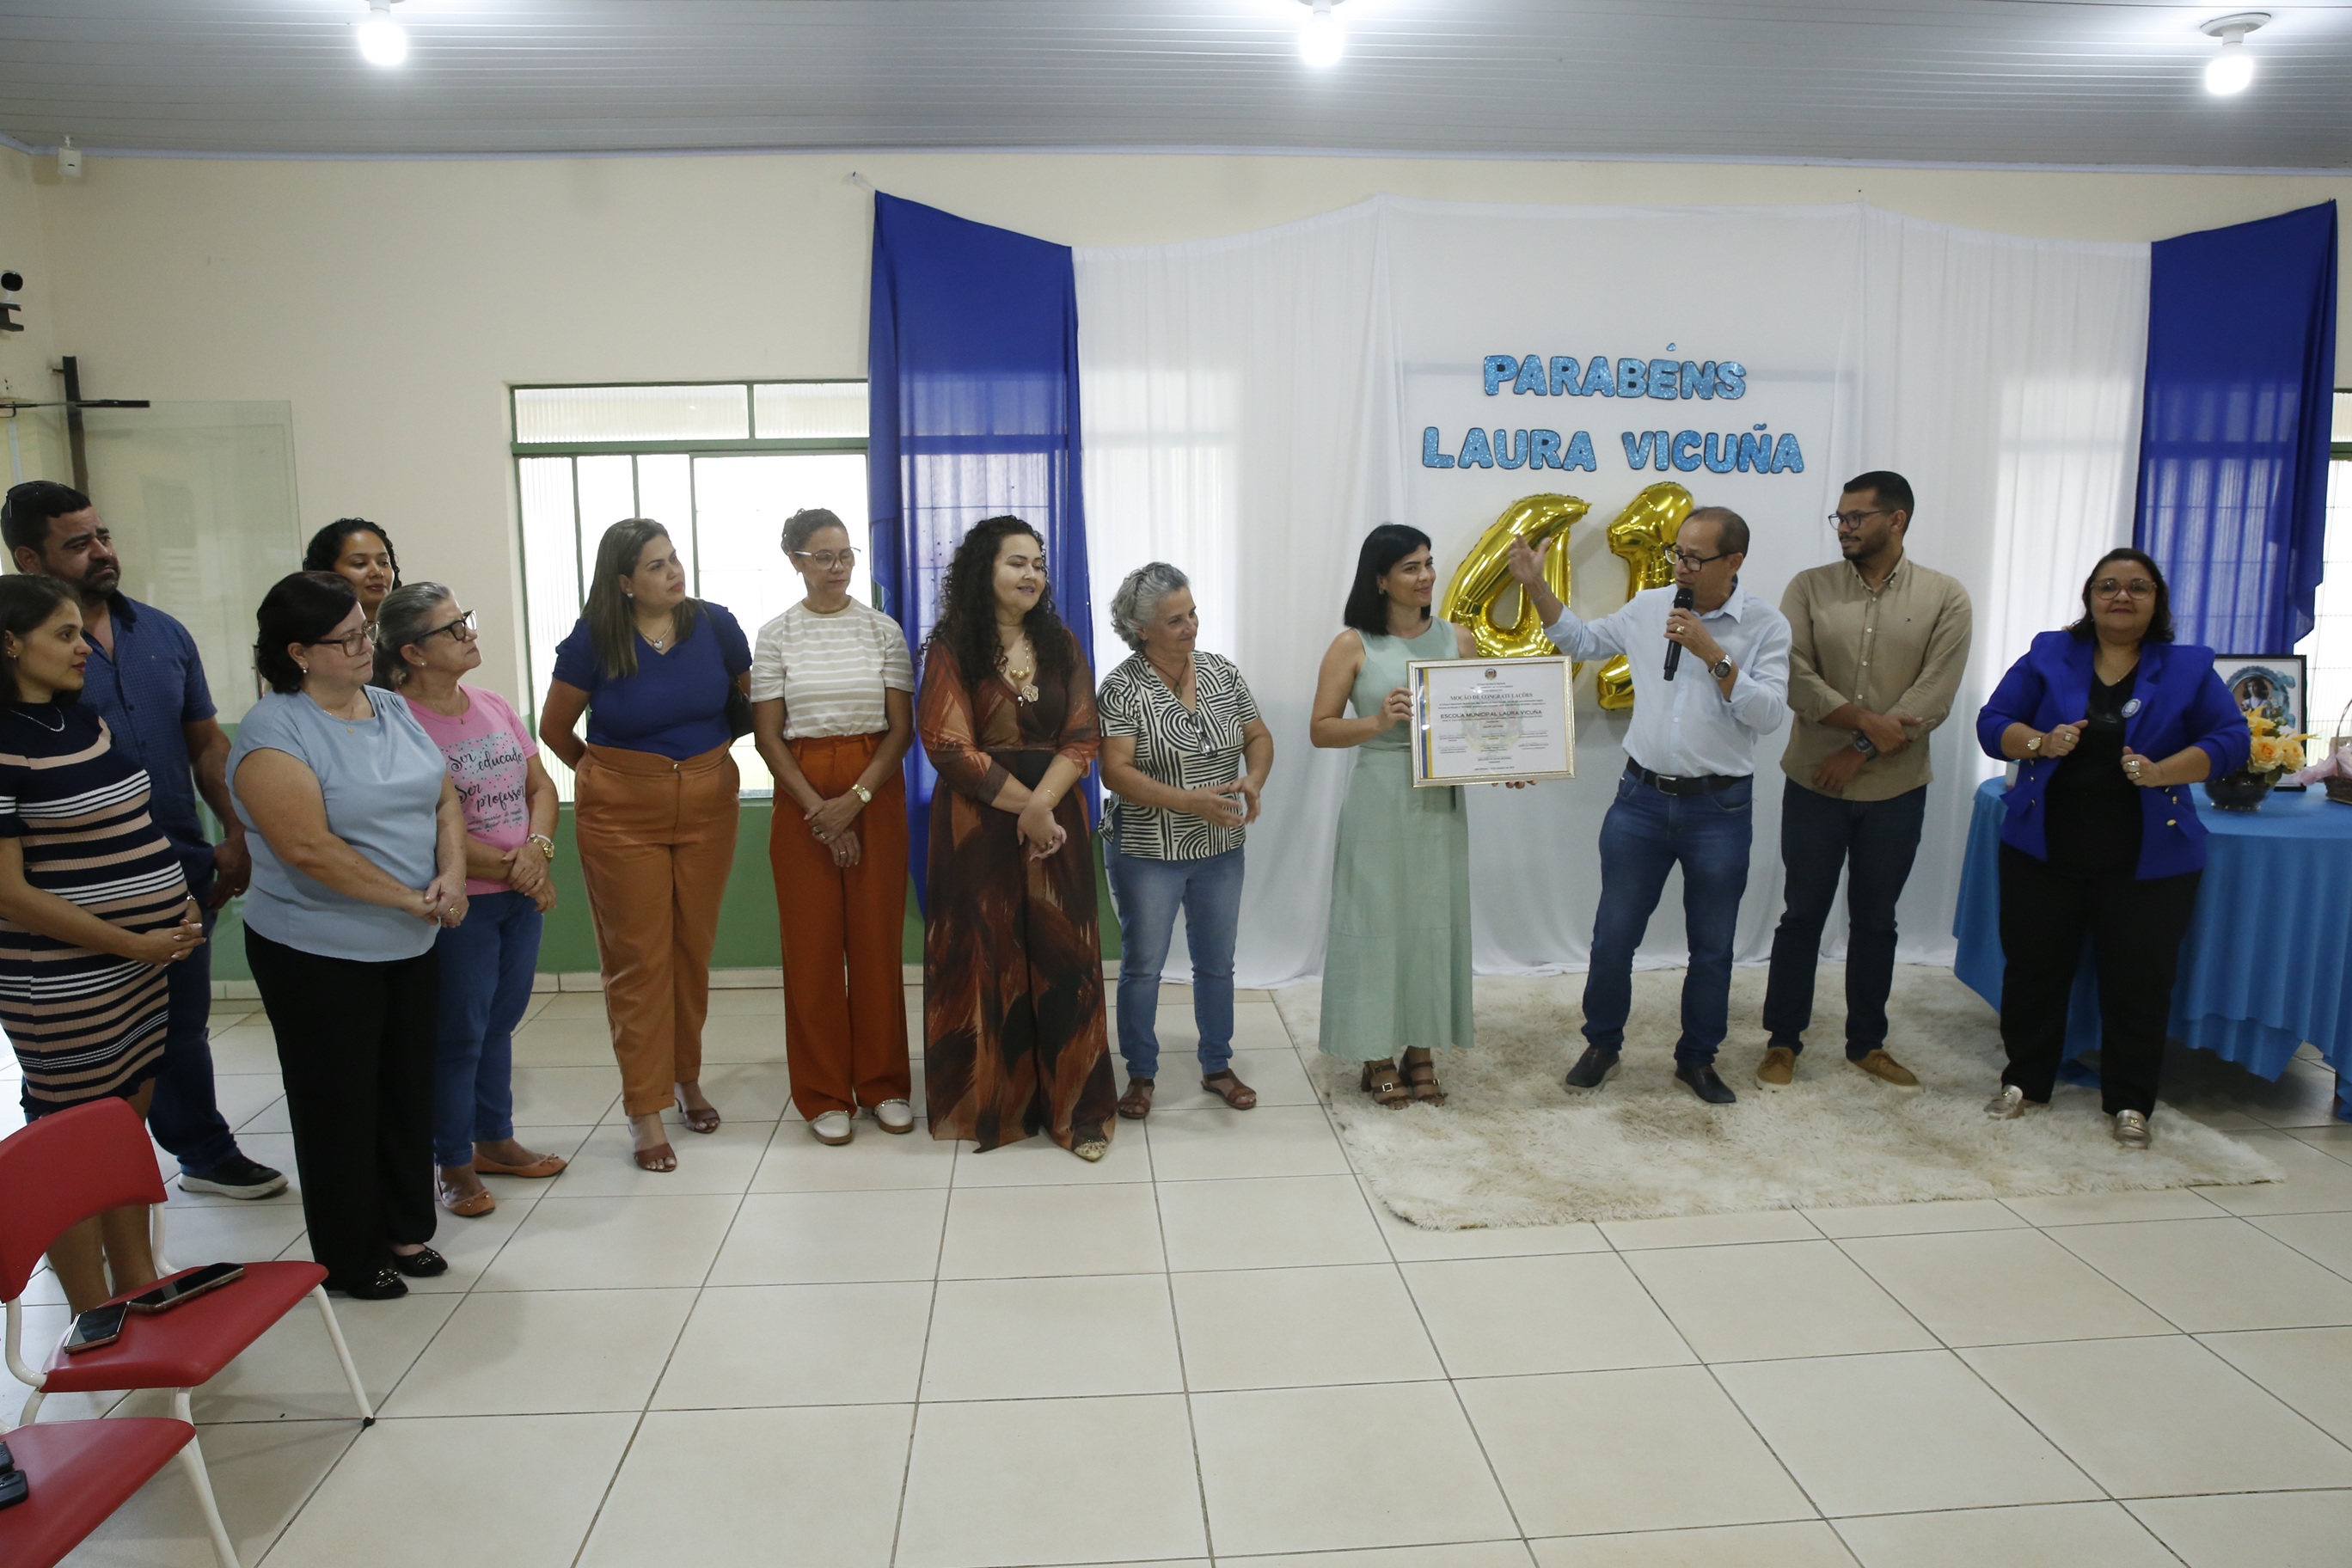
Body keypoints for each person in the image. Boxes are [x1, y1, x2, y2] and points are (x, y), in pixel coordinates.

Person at [1, 480, 286, 1200]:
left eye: (102, 535)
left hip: (177, 866)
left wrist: (236, 834)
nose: (101, 552)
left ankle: (196, 1155)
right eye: (78, 543)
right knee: (79, 1076)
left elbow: (206, 745)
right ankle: (77, 1210)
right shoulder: (24, 689)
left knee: (174, 1033)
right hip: (63, 918)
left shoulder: (161, 633)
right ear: (29, 556)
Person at [230, 572, 469, 1299]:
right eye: (350, 639)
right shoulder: (274, 731)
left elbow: (442, 797)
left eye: (366, 630)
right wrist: (407, 897)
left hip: (410, 938)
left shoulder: (390, 705)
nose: (369, 645)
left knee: (405, 1092)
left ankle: (404, 1228)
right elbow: (307, 848)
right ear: (299, 652)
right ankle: (348, 1251)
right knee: (338, 1102)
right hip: (318, 951)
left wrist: (452, 875)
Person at [1511, 506, 1792, 1105]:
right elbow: (1580, 641)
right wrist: (1536, 587)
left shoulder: (1766, 626)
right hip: (1639, 801)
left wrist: (1714, 653)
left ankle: (1697, 1058)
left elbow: (1769, 716)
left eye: (1695, 557)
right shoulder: (1650, 607)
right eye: (1678, 554)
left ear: (1733, 561)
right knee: (1613, 935)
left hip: (1719, 809)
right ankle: (1602, 1044)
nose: (1682, 567)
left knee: (1712, 946)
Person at [1975, 548, 2248, 1148]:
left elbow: (2232, 740)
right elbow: (1993, 723)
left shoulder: (2187, 668)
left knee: (2139, 982)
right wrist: (2041, 741)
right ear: (2089, 598)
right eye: (2108, 586)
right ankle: (2025, 1082)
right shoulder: (2049, 654)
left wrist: (2163, 771)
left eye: (2137, 587)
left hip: (2150, 858)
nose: (2121, 596)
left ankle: (2130, 1103)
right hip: (2044, 849)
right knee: (2034, 971)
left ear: (2157, 601)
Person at [0, 575, 205, 1314]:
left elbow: (133, 824)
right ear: (10, 644)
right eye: (62, 634)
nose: (83, 646)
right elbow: (9, 892)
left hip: (139, 966)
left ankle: (139, 1285)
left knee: (123, 1130)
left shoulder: (81, 719)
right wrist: (128, 939)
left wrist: (174, 904)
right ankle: (94, 1313)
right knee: (72, 1148)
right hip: (61, 978)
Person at [539, 518, 750, 1173]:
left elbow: (750, 708)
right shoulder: (595, 637)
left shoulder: (715, 624)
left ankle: (685, 1077)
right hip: (622, 817)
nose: (673, 572)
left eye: (674, 558)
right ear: (625, 583)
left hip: (709, 807)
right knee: (638, 961)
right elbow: (554, 728)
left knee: (691, 951)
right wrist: (611, 778)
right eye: (656, 566)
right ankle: (645, 1107)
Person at [1760, 471, 1973, 1091]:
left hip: (1896, 788)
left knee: (1876, 920)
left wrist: (1857, 748)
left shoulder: (1945, 596)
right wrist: (1864, 724)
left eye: (1856, 518)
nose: (1845, 528)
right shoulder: (1809, 588)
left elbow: (1934, 695)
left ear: (1896, 520)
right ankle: (1781, 1040)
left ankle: (1867, 1043)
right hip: (1813, 784)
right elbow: (1794, 675)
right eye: (1840, 519)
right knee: (1801, 915)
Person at [918, 516, 1116, 1160]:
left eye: (1038, 564)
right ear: (984, 570)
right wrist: (1027, 807)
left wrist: (1043, 807)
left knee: (1066, 963)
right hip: (978, 822)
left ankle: (1075, 1112)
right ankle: (995, 1109)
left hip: (1057, 822)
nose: (1031, 574)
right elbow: (946, 745)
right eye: (1016, 563)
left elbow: (1084, 736)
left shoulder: (1060, 644)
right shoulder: (952, 646)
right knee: (985, 957)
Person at [376, 583, 568, 1216]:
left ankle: (495, 1139)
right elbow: (426, 826)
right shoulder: (395, 721)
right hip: (463, 903)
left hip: (518, 896)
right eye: (454, 629)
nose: (470, 635)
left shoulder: (491, 704)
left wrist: (537, 851)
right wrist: (522, 869)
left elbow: (540, 784)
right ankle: (452, 1160)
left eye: (467, 622)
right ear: (414, 651)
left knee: (500, 1025)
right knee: (458, 1032)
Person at [748, 508, 916, 1147]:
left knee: (875, 943)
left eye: (846, 555)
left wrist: (858, 797)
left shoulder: (882, 631)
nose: (839, 567)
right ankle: (822, 1092)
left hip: (874, 784)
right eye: (824, 556)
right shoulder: (776, 635)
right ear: (795, 559)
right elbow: (767, 733)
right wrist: (822, 811)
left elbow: (900, 728)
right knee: (813, 949)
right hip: (803, 790)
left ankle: (884, 1084)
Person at [1310, 525, 1482, 1106]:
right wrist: (1379, 722)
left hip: (1440, 800)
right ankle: (1375, 1052)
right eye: (1411, 567)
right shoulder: (1352, 644)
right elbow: (1321, 729)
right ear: (1380, 579)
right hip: (1380, 796)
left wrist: (1507, 760)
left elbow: (1478, 730)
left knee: (1433, 925)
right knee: (1375, 923)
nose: (1426, 575)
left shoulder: (1459, 639)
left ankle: (1421, 1050)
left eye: (1429, 563)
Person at [1099, 562, 1275, 1120]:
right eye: (1175, 620)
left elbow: (1258, 735)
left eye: (1192, 612)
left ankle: (1217, 1065)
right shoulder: (1121, 688)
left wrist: (1255, 778)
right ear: (1141, 627)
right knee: (1144, 965)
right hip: (1147, 853)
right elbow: (1115, 772)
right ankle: (1140, 1076)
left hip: (1220, 850)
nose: (1191, 626)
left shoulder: (1222, 671)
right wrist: (1189, 802)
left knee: (1217, 963)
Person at [303, 518, 401, 626]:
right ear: (327, 572)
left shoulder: (412, 631)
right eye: (360, 563)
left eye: (383, 562)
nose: (377, 572)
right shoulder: (316, 638)